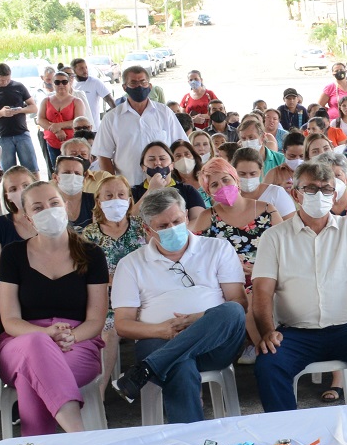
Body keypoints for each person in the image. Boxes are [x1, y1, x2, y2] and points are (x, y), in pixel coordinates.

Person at [248, 160, 347, 409]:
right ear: (296, 194)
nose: (319, 195)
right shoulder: (274, 237)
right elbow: (262, 290)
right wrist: (267, 331)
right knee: (269, 362)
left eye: (326, 189)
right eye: (311, 189)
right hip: (296, 333)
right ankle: (286, 440)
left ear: (335, 193)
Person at [109, 188, 249, 422]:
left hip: (215, 345)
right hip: (158, 340)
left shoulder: (217, 248)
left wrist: (199, 319)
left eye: (177, 221)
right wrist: (161, 330)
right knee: (180, 366)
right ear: (147, 229)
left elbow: (239, 302)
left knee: (232, 311)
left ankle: (145, 370)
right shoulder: (130, 264)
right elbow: (123, 325)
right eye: (163, 227)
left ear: (186, 216)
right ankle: (192, 443)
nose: (173, 228)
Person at [0, 181, 109, 435]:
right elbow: (10, 320)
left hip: (78, 341)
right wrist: (46, 335)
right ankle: (78, 435)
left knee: (31, 377)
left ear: (66, 207)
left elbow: (95, 320)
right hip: (20, 340)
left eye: (54, 203)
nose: (48, 210)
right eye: (38, 208)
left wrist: (70, 336)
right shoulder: (13, 254)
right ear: (28, 218)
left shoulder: (92, 254)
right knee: (36, 346)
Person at [92, 64, 185, 179]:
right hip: (129, 186)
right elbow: (103, 155)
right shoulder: (111, 118)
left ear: (150, 86)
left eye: (143, 82)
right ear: (125, 87)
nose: (139, 86)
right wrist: (114, 183)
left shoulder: (164, 112)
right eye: (133, 83)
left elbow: (180, 145)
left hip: (164, 184)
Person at [198, 155, 282, 278]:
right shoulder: (207, 217)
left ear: (236, 180)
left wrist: (262, 271)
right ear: (209, 193)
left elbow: (285, 247)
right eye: (214, 185)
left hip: (268, 279)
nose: (222, 186)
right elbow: (195, 256)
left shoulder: (267, 210)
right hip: (226, 284)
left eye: (226, 180)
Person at [133, 140, 208, 232]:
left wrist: (174, 234)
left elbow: (198, 220)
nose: (157, 163)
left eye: (162, 159)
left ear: (172, 165)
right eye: (151, 159)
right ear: (143, 167)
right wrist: (150, 191)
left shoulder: (187, 190)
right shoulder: (134, 192)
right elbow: (129, 221)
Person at [0, 63, 38, 178]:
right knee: (8, 172)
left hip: (22, 133)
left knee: (32, 169)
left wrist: (20, 110)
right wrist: (1, 113)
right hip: (3, 136)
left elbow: (33, 107)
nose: (5, 83)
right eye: (2, 80)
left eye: (7, 80)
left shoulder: (19, 87)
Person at [78, 173, 143, 271]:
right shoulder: (90, 233)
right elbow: (85, 268)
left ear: (129, 201)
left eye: (121, 195)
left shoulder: (142, 226)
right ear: (99, 202)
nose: (115, 199)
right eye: (109, 195)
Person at [0, 165, 40, 255]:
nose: (21, 191)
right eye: (13, 189)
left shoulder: (53, 220)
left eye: (26, 185)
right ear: (7, 196)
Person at [38, 71, 91, 172]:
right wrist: (56, 130)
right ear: (53, 84)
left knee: (76, 169)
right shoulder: (46, 101)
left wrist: (59, 125)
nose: (61, 85)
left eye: (64, 82)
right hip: (52, 142)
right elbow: (40, 119)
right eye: (57, 82)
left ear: (69, 83)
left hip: (73, 144)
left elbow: (78, 121)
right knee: (57, 170)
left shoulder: (77, 101)